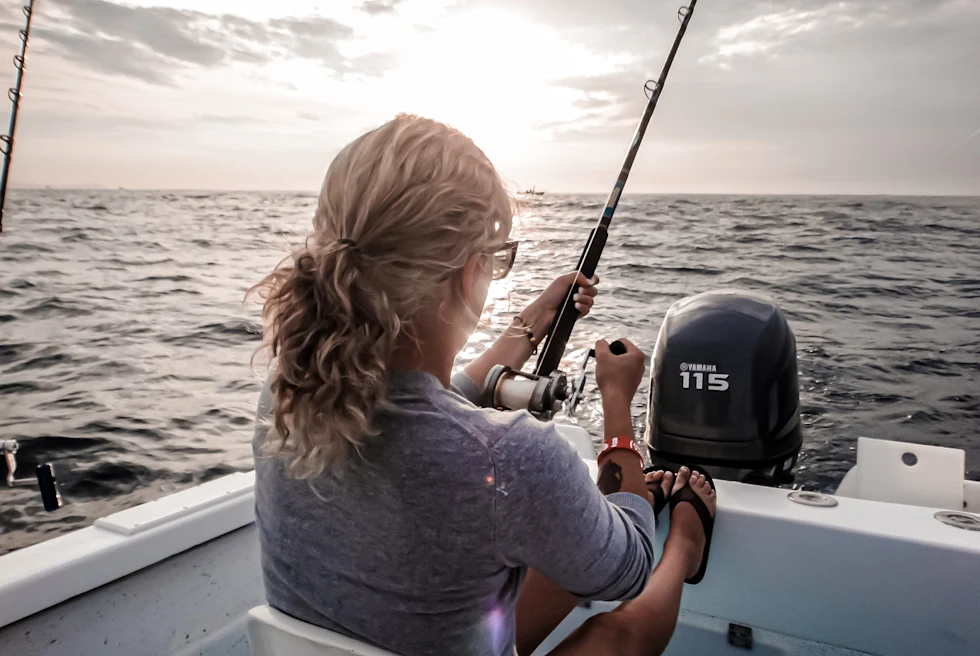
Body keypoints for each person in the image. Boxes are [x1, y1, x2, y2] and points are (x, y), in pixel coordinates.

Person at [248, 113, 716, 656]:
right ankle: (687, 539)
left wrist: (538, 316)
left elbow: (437, 401)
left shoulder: (290, 397)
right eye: (497, 260)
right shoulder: (511, 459)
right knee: (617, 631)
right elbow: (631, 568)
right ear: (471, 272)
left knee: (560, 538)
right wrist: (618, 403)